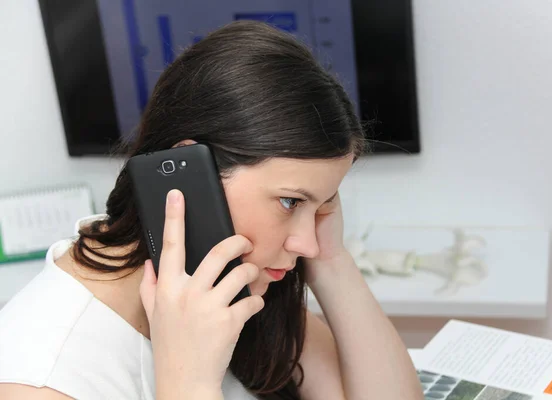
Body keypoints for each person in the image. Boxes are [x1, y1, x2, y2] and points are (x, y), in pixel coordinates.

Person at [0, 20, 422, 400]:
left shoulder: (239, 283)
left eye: (323, 203)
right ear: (186, 178)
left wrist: (331, 262)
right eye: (290, 201)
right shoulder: (41, 377)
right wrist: (189, 384)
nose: (306, 243)